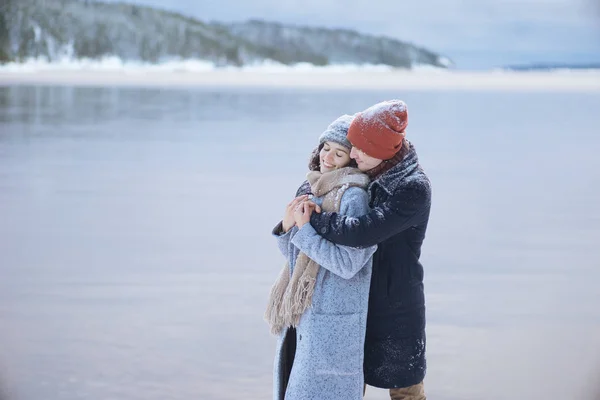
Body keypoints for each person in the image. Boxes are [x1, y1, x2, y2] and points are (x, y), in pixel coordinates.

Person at [301, 100, 432, 400]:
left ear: (383, 152)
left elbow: (360, 231)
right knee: (345, 387)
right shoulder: (366, 171)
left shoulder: (412, 188)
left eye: (360, 149)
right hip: (353, 298)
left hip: (396, 304)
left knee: (406, 391)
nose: (353, 153)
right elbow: (322, 184)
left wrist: (314, 219)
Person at [265, 114, 377, 400]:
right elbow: (294, 258)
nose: (328, 157)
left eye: (339, 153)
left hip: (332, 319)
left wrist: (303, 231)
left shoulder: (354, 198)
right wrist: (287, 227)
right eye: (326, 147)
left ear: (351, 159)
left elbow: (348, 264)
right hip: (301, 313)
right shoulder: (312, 187)